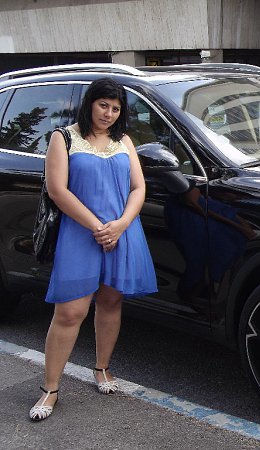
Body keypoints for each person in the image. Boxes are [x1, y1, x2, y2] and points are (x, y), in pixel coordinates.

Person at [29, 78, 157, 421]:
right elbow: (58, 190)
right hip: (80, 234)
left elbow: (138, 188)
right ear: (90, 103)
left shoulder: (123, 140)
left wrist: (121, 224)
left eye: (115, 108)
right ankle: (50, 388)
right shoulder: (64, 138)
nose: (108, 113)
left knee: (111, 302)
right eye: (103, 105)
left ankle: (102, 369)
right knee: (70, 313)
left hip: (121, 233)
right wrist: (97, 227)